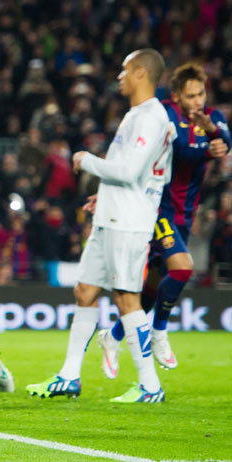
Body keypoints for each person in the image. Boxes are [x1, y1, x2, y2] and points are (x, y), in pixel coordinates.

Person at [27, 49, 174, 403]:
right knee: (85, 291)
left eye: (125, 70)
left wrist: (85, 160)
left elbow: (128, 171)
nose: (119, 77)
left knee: (126, 298)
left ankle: (150, 385)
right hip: (112, 215)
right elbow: (154, 171)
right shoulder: (137, 115)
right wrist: (103, 197)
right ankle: (69, 376)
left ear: (141, 73)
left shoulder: (151, 117)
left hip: (129, 221)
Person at [97, 62, 230, 377]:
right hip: (157, 206)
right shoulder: (164, 114)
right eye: (191, 95)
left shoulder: (214, 117)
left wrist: (212, 134)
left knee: (153, 289)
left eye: (201, 94)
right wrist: (210, 145)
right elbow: (183, 150)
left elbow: (224, 140)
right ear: (176, 96)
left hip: (185, 213)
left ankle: (112, 337)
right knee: (183, 268)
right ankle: (159, 331)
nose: (197, 101)